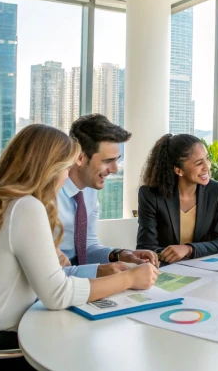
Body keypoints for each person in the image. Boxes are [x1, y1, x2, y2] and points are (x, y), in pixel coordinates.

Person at [0, 124, 160, 370]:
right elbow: (57, 295)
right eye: (67, 168)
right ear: (49, 169)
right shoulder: (26, 207)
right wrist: (130, 279)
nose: (68, 176)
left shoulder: (0, 205)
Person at [58, 114, 159, 278]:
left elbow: (87, 246)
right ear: (80, 158)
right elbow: (44, 272)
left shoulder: (89, 192)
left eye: (117, 160)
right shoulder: (47, 197)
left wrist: (121, 254)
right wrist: (97, 271)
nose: (114, 169)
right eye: (107, 161)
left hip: (74, 282)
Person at [137, 134, 218, 264]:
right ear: (179, 170)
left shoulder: (215, 190)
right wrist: (169, 255)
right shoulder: (150, 195)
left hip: (205, 269)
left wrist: (189, 249)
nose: (207, 167)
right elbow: (145, 247)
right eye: (198, 163)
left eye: (207, 159)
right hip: (165, 271)